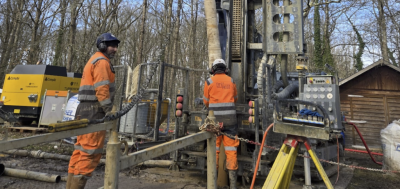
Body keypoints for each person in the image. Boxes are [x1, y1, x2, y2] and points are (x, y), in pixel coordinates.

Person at [66, 33, 119, 189]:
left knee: (80, 151)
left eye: (116, 46)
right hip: (95, 110)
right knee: (90, 153)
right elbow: (102, 89)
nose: (114, 49)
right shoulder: (102, 62)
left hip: (84, 109)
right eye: (111, 45)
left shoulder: (94, 59)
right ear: (102, 45)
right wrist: (109, 110)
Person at [203, 59, 239, 189]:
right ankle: (233, 185)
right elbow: (235, 99)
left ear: (213, 70)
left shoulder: (209, 81)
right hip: (230, 121)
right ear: (225, 69)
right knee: (231, 151)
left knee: (215, 150)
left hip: (214, 122)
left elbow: (206, 101)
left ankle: (212, 183)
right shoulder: (231, 81)